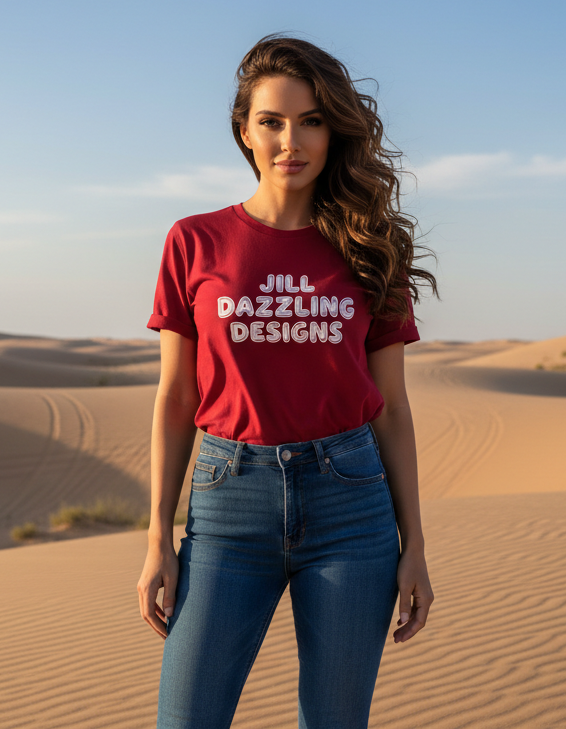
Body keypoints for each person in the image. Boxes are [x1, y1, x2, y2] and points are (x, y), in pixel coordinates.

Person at [137, 35, 437, 729]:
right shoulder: (194, 241)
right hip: (226, 503)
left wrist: (415, 543)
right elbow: (176, 397)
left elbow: (391, 409)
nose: (289, 140)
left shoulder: (371, 245)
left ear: (333, 130)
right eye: (271, 121)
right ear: (245, 130)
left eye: (310, 120)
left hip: (352, 507)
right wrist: (157, 533)